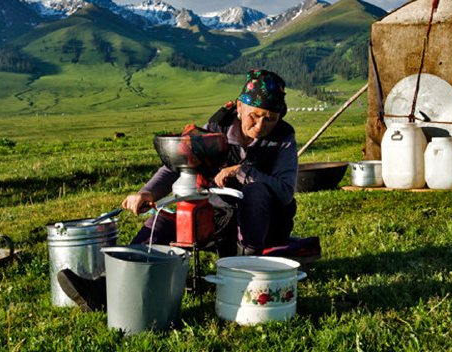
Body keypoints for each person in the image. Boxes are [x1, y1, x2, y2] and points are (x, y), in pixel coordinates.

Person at [58, 69, 298, 311]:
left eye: (270, 119)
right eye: (254, 117)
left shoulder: (284, 137)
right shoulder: (217, 128)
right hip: (219, 215)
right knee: (164, 219)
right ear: (239, 108)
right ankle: (105, 287)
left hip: (266, 223)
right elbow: (180, 164)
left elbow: (286, 191)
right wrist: (147, 193)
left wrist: (242, 171)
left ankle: (245, 277)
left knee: (256, 191)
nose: (260, 126)